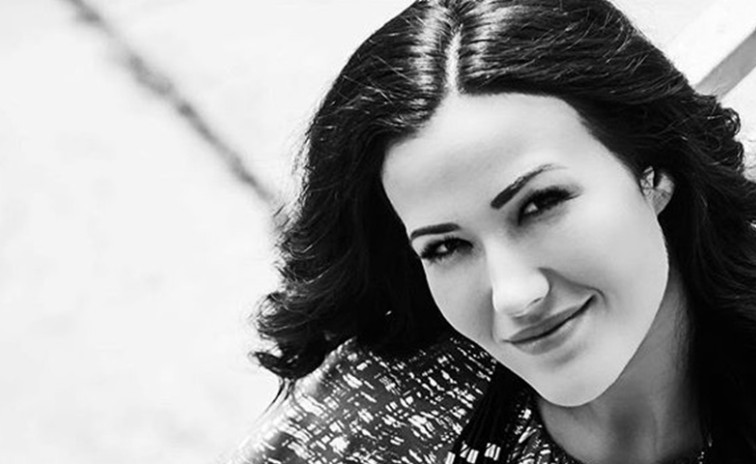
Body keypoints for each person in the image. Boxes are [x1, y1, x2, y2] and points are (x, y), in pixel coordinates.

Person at [236, 0, 756, 462]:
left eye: (541, 204)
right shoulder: (373, 424)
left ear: (654, 177)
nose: (514, 295)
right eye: (446, 247)